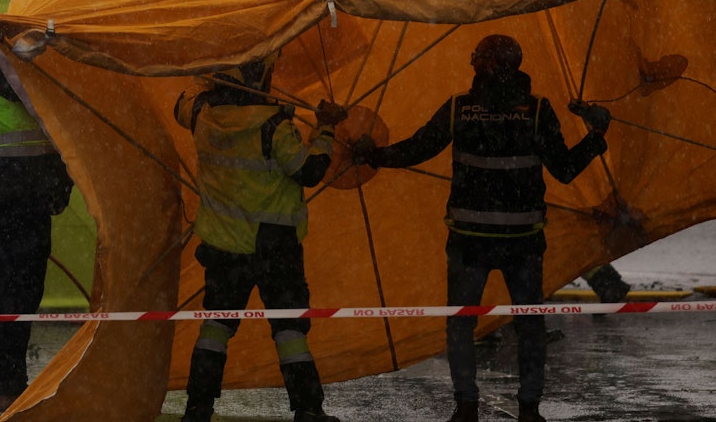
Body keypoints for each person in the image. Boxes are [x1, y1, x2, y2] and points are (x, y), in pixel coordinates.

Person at [351, 35, 610, 422]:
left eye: (476, 57)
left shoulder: (460, 108)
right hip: (523, 243)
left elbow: (418, 148)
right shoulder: (538, 110)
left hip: (469, 243)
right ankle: (529, 409)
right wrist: (596, 137)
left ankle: (467, 407)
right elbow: (565, 169)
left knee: (461, 323)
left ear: (487, 63)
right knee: (530, 325)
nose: (471, 63)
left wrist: (372, 155)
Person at [173, 50, 348, 422]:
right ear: (257, 78)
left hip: (224, 247)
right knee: (289, 329)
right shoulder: (273, 124)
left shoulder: (202, 115)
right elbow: (310, 171)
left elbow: (182, 103)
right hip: (275, 248)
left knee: (216, 326)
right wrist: (326, 129)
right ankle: (308, 410)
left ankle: (198, 408)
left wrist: (209, 73)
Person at [0, 39, 74, 418]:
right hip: (25, 191)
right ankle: (9, 387)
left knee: (2, 290)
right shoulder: (8, 70)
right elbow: (49, 117)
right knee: (22, 293)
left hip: (1, 189)